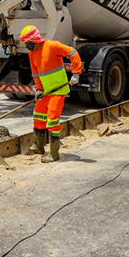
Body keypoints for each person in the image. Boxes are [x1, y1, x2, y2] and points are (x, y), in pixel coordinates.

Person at [19, 25, 83, 163]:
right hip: (46, 92)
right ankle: (38, 146)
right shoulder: (32, 54)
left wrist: (76, 72)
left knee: (52, 119)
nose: (26, 45)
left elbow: (72, 53)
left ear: (34, 40)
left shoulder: (52, 46)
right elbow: (35, 73)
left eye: (27, 42)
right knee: (38, 116)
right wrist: (39, 89)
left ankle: (54, 154)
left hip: (58, 90)